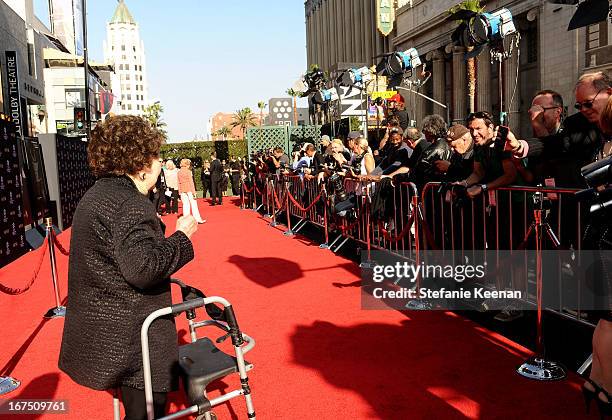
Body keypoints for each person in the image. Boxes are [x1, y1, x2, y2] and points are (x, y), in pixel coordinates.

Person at [59, 115, 198, 420]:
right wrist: (182, 237)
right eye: (157, 156)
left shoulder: (97, 194)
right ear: (143, 162)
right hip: (132, 338)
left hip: (106, 329)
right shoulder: (129, 203)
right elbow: (144, 269)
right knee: (147, 412)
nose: (160, 163)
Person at [581, 95, 612, 418]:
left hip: (601, 237)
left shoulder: (603, 149)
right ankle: (607, 389)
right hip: (608, 239)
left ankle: (597, 382)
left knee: (605, 319)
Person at [178, 159, 205, 223]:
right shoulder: (188, 171)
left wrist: (179, 192)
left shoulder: (178, 172)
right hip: (189, 189)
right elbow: (191, 182)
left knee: (185, 205)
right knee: (194, 205)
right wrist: (194, 192)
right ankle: (197, 219)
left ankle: (186, 220)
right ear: (187, 165)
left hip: (182, 189)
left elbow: (178, 182)